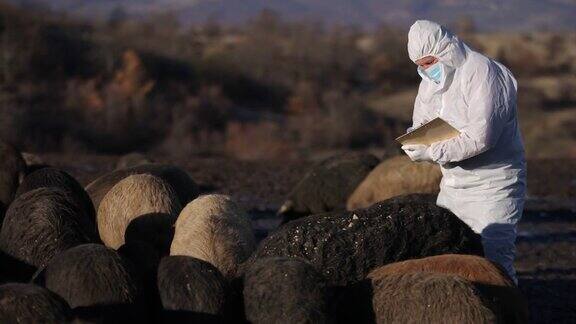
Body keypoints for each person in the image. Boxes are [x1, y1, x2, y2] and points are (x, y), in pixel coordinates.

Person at [402, 20, 526, 284]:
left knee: (493, 263)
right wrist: (417, 141)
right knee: (449, 257)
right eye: (420, 65)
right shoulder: (431, 82)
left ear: (445, 49)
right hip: (453, 186)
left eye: (428, 61)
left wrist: (432, 152)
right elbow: (422, 122)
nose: (425, 69)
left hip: (493, 186)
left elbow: (482, 138)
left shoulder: (483, 73)